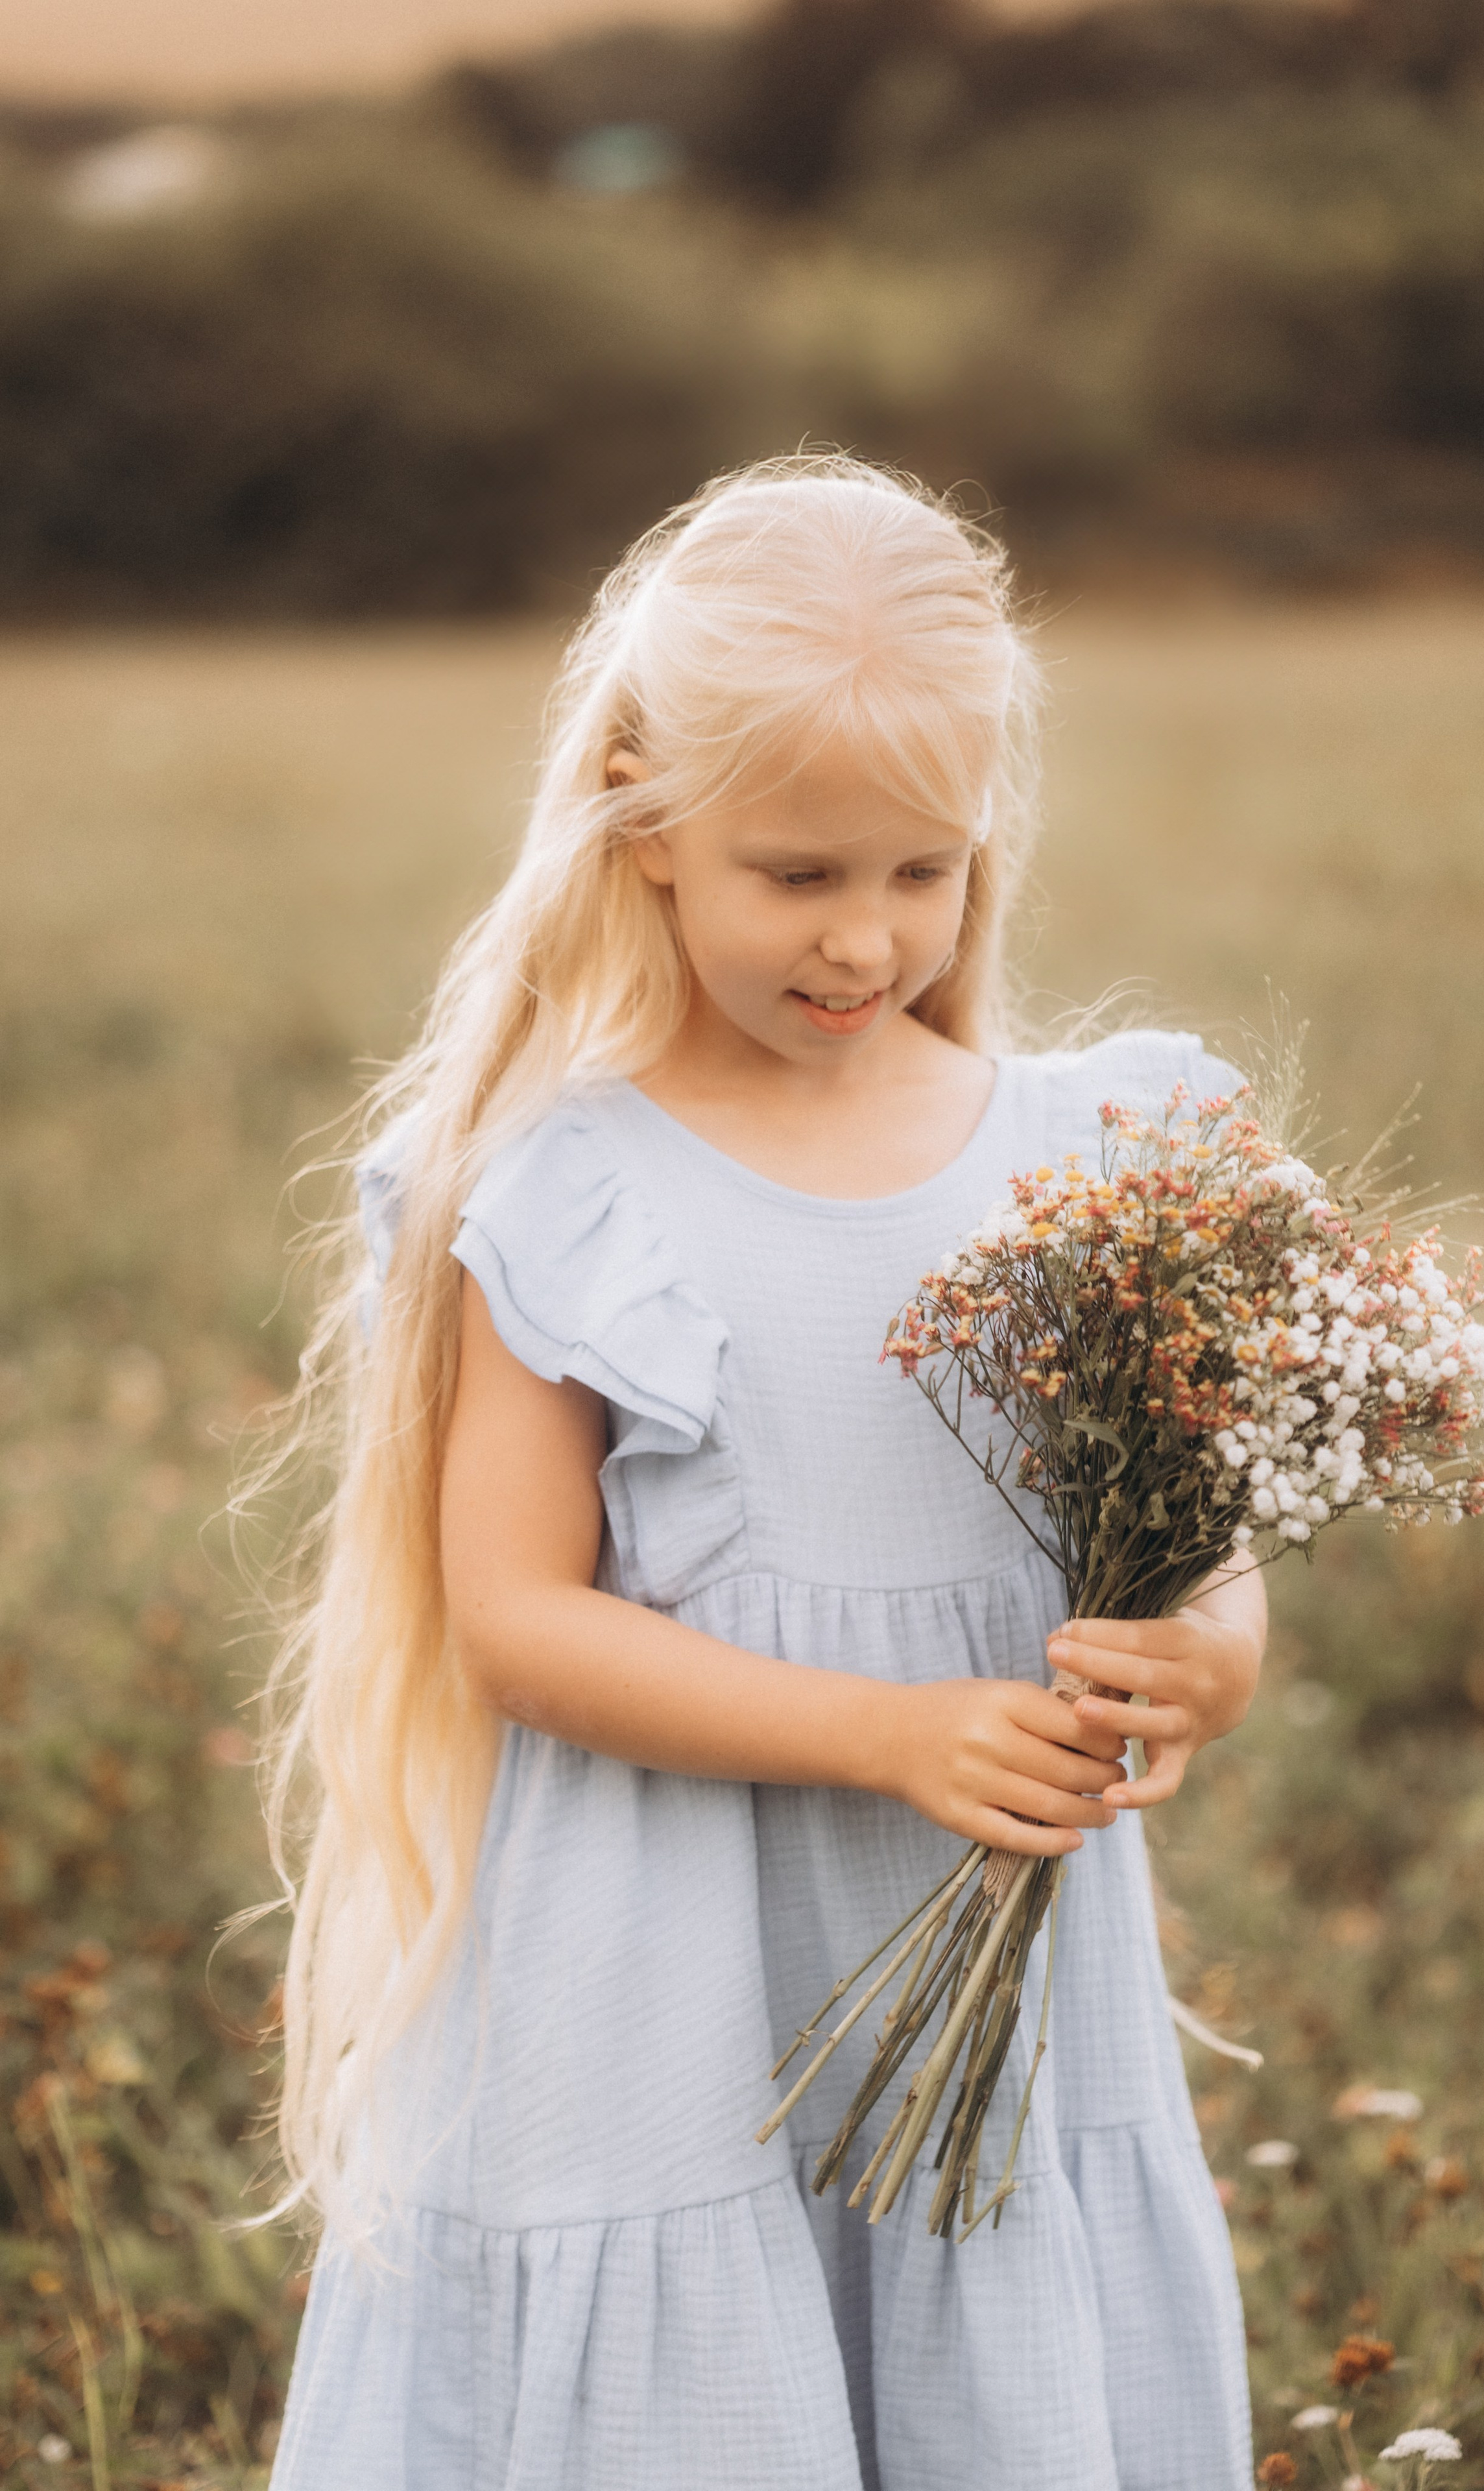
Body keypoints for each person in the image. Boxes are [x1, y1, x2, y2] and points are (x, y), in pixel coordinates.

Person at [263, 453, 1264, 2491]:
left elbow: (1207, 1530)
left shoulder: (1084, 1152)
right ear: (643, 821)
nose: (867, 939)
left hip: (993, 1949)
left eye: (926, 870)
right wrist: (883, 1729)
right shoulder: (568, 1188)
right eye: (797, 876)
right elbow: (518, 1620)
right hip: (657, 1974)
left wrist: (1215, 1648)